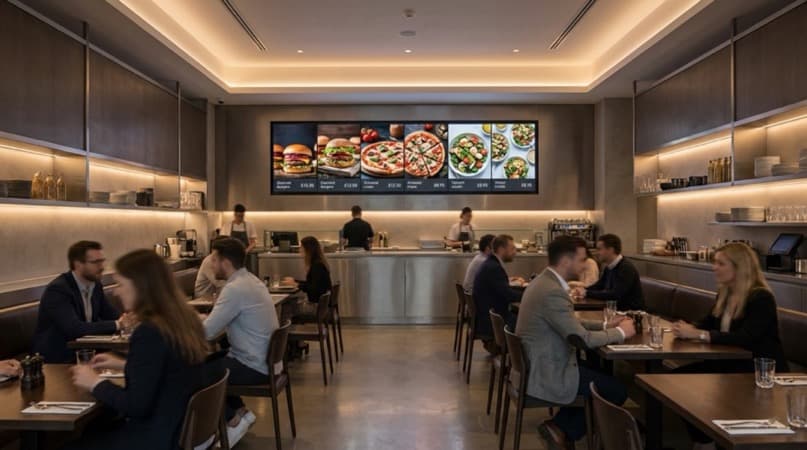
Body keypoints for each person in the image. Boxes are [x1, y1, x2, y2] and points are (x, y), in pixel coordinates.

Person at [68, 249, 214, 450]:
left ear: (140, 286)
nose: (115, 291)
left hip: (155, 438)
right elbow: (171, 370)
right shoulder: (184, 320)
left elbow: (136, 406)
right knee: (93, 429)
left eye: (121, 284)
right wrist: (126, 364)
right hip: (178, 429)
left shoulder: (149, 332)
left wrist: (94, 383)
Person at [516, 236, 635, 449]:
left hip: (540, 362)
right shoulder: (552, 291)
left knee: (599, 375)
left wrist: (606, 326)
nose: (586, 264)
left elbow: (570, 325)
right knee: (616, 390)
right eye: (582, 260)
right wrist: (620, 332)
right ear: (566, 262)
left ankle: (560, 426)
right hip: (548, 370)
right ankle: (562, 429)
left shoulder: (544, 282)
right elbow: (581, 339)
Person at [672, 242, 788, 450]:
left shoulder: (761, 298)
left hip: (758, 371)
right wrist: (687, 327)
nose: (714, 267)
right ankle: (704, 440)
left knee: (687, 386)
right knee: (676, 383)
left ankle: (707, 441)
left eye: (720, 263)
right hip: (729, 365)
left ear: (739, 267)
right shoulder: (724, 294)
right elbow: (708, 322)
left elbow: (746, 338)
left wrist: (699, 334)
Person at [202, 238, 280, 446]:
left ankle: (232, 420)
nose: (210, 263)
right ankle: (240, 411)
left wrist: (177, 326)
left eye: (214, 259)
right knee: (212, 362)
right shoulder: (251, 281)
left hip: (254, 365)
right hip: (267, 362)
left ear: (225, 262)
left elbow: (207, 332)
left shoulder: (234, 288)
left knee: (197, 373)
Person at [32, 241, 131, 363]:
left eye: (102, 261)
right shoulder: (58, 290)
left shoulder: (95, 285)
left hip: (86, 351)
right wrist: (119, 324)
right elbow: (74, 329)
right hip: (57, 359)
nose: (102, 267)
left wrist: (129, 320)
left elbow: (109, 313)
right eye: (95, 262)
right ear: (78, 264)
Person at [573, 234, 644, 311]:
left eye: (599, 249)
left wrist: (586, 292)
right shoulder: (609, 266)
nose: (597, 253)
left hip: (629, 314)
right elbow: (599, 285)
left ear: (611, 250)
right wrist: (582, 289)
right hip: (613, 310)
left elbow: (615, 295)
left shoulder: (625, 268)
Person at [471, 235, 522, 340]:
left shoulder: (490, 263)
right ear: (501, 249)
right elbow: (508, 295)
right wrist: (529, 296)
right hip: (492, 320)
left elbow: (503, 291)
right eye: (512, 248)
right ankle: (520, 355)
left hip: (487, 314)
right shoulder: (494, 268)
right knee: (529, 321)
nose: (515, 252)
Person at [283, 236, 333, 305]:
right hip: (321, 306)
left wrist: (296, 284)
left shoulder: (317, 266)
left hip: (316, 306)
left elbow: (314, 289)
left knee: (288, 305)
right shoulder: (318, 263)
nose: (299, 250)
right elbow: (312, 284)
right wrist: (295, 281)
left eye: (301, 247)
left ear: (308, 249)